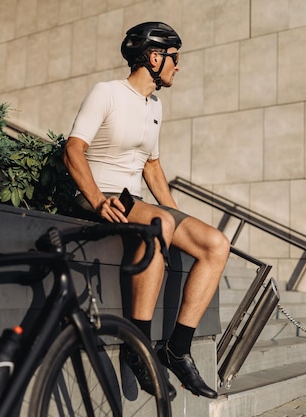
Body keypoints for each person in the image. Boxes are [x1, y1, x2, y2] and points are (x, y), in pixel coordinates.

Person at [64, 21, 230, 400]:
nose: (177, 66)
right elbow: (74, 150)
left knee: (215, 243)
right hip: (101, 195)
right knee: (159, 222)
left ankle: (178, 347)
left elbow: (151, 166)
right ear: (155, 57)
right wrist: (96, 199)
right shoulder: (106, 93)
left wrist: (179, 219)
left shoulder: (155, 104)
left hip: (134, 202)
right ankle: (136, 347)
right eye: (174, 58)